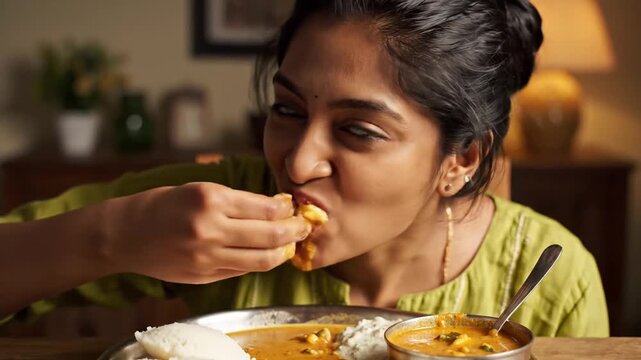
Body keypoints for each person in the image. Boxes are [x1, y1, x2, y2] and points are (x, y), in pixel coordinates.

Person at [0, 0, 608, 336]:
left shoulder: (553, 279)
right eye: (287, 109)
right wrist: (115, 237)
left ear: (462, 158)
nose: (296, 160)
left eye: (357, 130)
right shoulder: (215, 202)